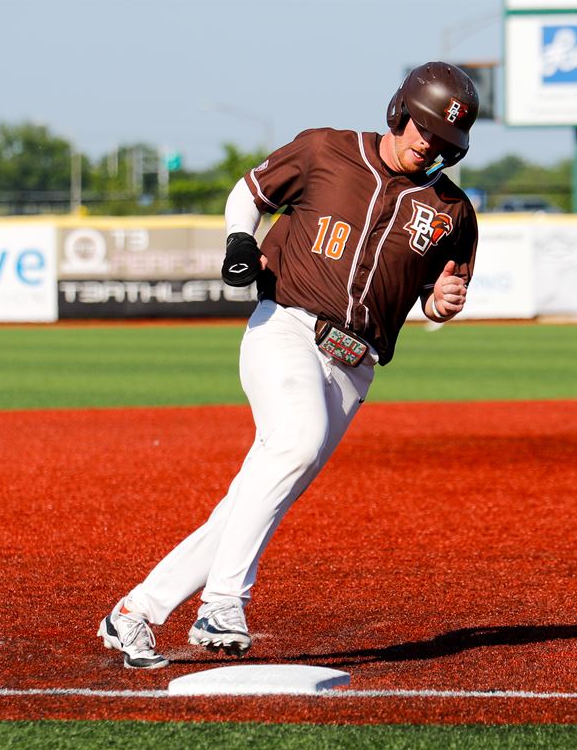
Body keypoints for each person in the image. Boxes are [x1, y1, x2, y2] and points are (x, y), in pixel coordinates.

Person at [98, 62, 481, 669]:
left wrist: (443, 302)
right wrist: (238, 242)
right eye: (423, 129)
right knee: (295, 441)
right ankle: (223, 602)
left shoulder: (452, 210)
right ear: (399, 112)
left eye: (443, 141)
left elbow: (440, 296)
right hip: (287, 328)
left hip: (355, 368)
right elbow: (247, 195)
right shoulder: (327, 149)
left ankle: (135, 613)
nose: (427, 144)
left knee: (258, 496)